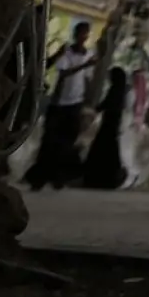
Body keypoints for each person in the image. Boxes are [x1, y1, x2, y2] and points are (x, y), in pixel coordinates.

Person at [25, 21, 96, 191]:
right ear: (75, 34)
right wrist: (85, 65)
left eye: (86, 34)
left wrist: (87, 102)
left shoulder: (89, 54)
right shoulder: (67, 52)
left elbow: (87, 79)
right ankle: (39, 178)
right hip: (60, 103)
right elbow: (63, 74)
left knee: (67, 142)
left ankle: (58, 177)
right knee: (49, 140)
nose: (83, 37)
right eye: (81, 33)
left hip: (75, 103)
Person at [81, 67, 130, 189]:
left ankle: (96, 178)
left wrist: (95, 110)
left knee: (102, 151)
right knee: (109, 152)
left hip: (108, 125)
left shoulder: (114, 91)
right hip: (112, 125)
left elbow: (107, 104)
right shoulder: (121, 92)